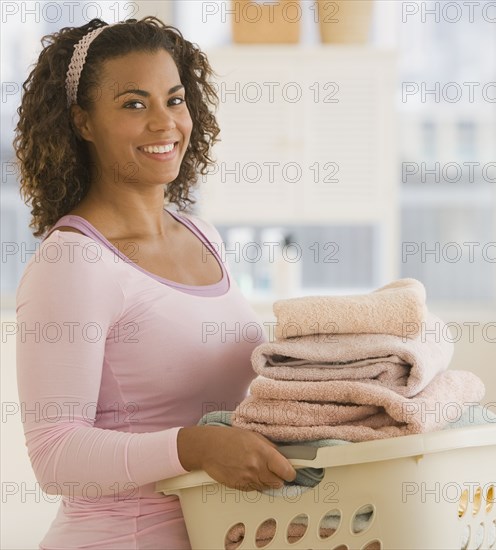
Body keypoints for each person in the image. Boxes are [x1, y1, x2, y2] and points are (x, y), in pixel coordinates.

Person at [14, 16, 296, 549]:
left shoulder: (201, 234)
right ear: (83, 122)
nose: (164, 123)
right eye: (133, 104)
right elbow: (55, 454)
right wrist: (194, 447)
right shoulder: (73, 262)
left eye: (175, 99)